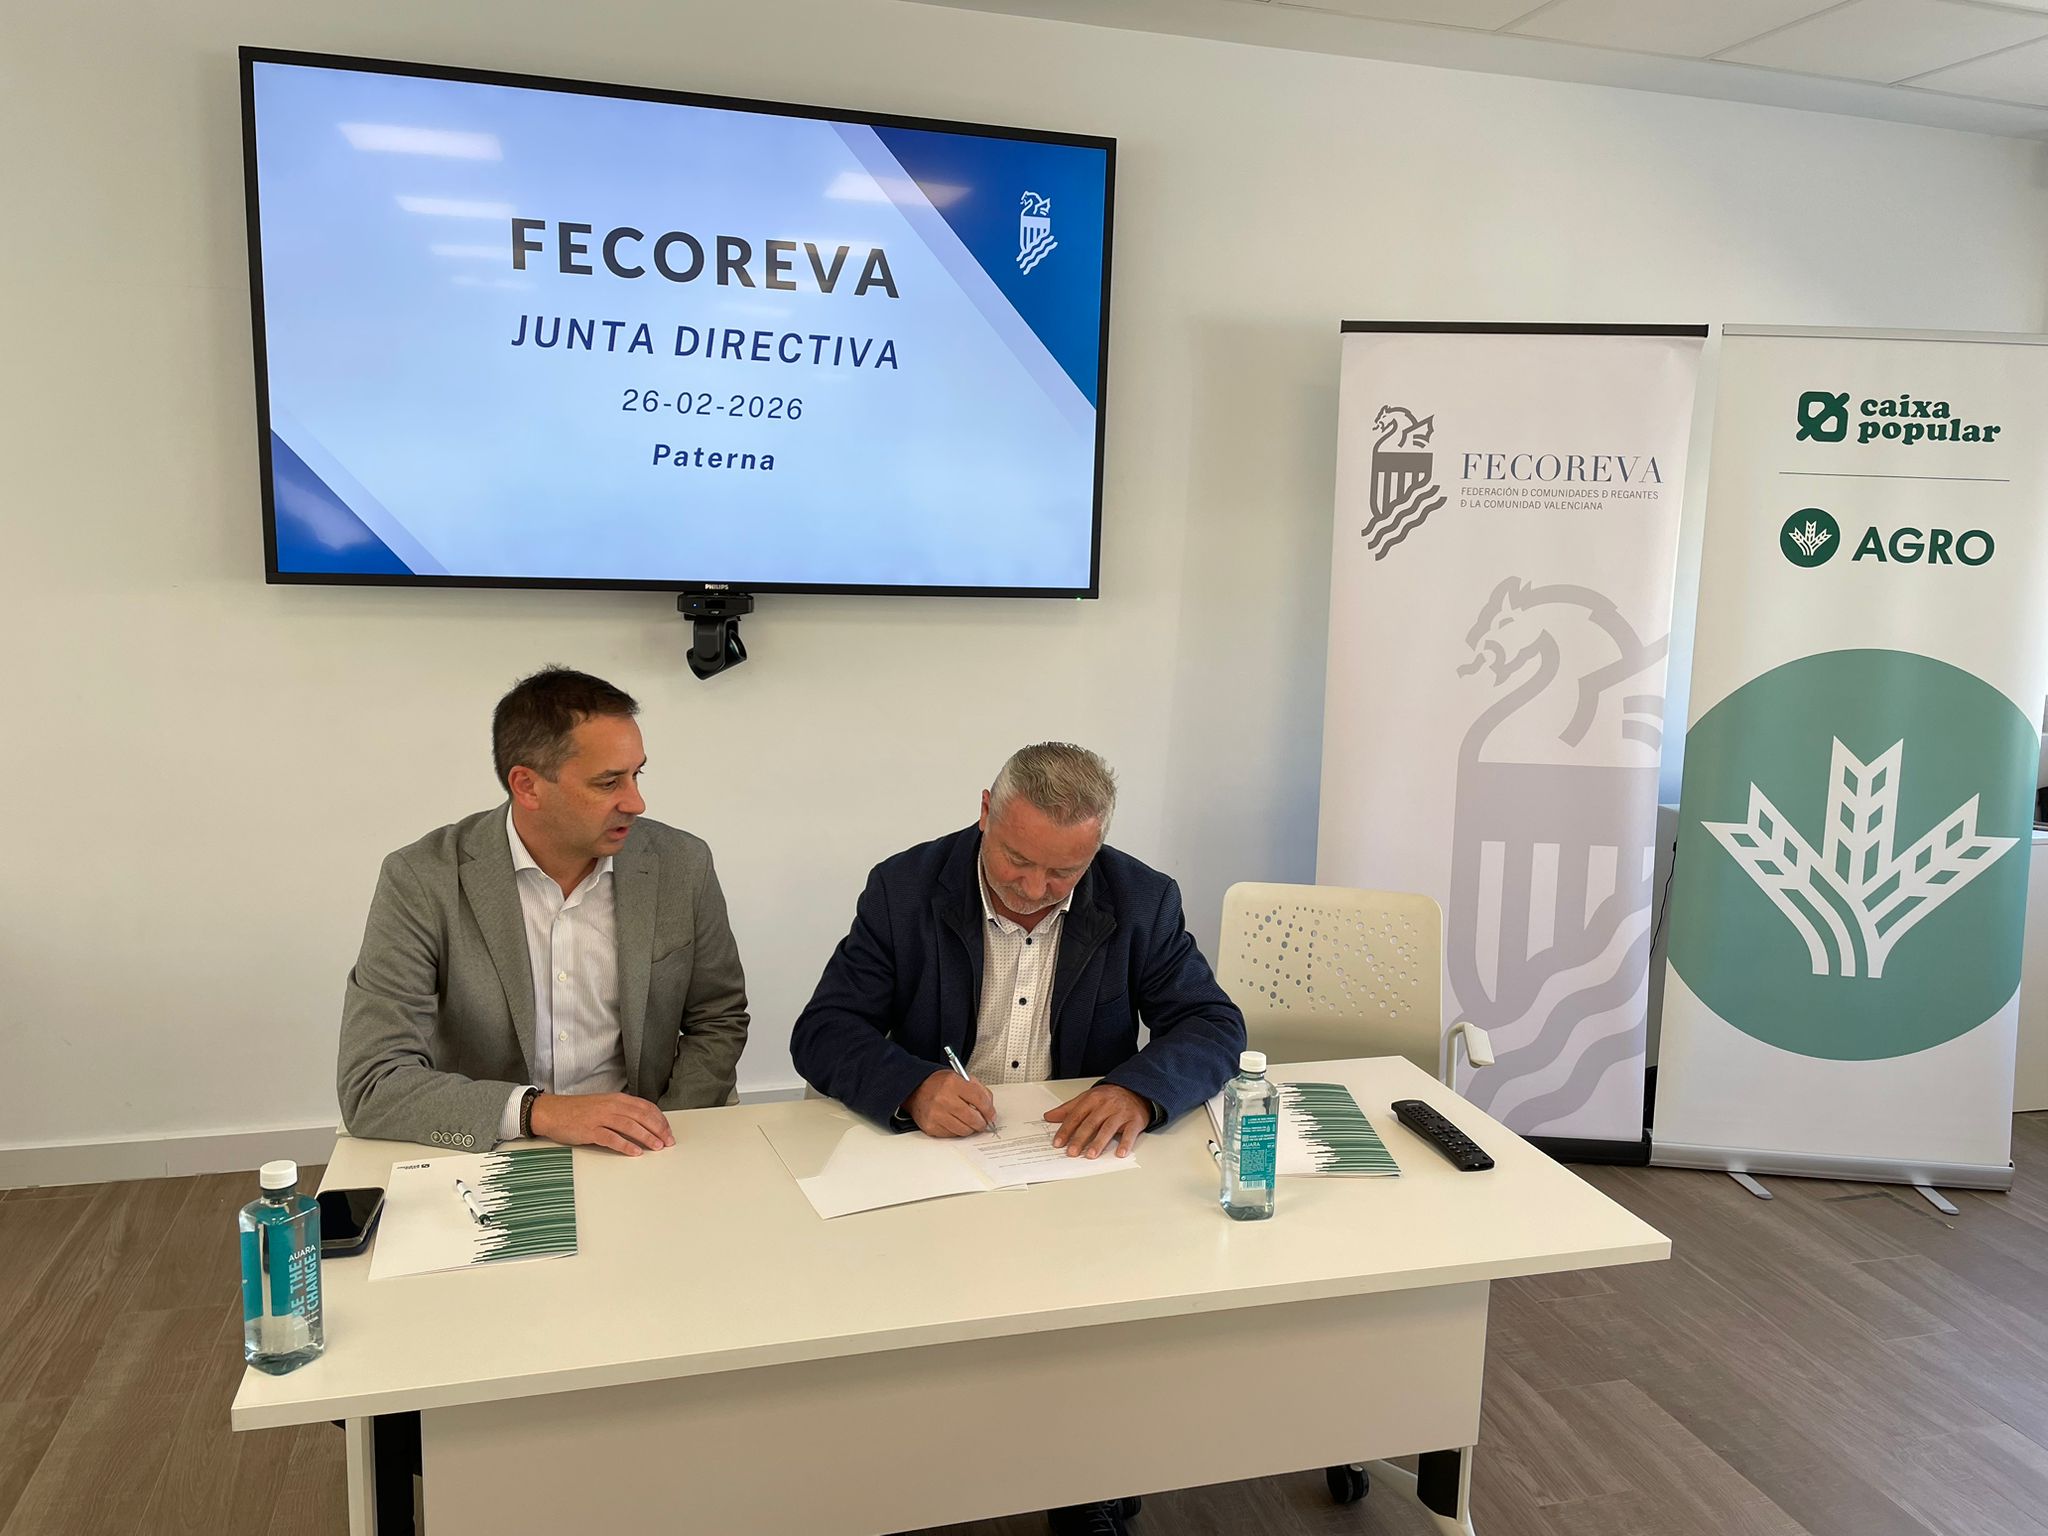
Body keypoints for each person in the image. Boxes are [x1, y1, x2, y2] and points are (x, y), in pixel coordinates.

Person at [790, 742, 1246, 1536]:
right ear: (984, 814)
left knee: (1096, 1314)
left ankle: (1087, 1480)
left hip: (1066, 1160)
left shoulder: (1142, 898)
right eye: (1016, 861)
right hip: (940, 1158)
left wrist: (1138, 1090)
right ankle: (918, 1470)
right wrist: (911, 1086)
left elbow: (1212, 1024)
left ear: (1096, 850)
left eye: (1063, 872)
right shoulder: (906, 886)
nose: (1034, 890)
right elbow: (825, 1029)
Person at [338, 666, 750, 1155]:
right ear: (527, 785)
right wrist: (540, 1111)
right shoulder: (422, 879)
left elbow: (718, 1019)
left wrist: (659, 1130)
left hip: (646, 1144)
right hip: (495, 1144)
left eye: (636, 774)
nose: (636, 802)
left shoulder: (682, 863)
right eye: (608, 783)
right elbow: (372, 1082)